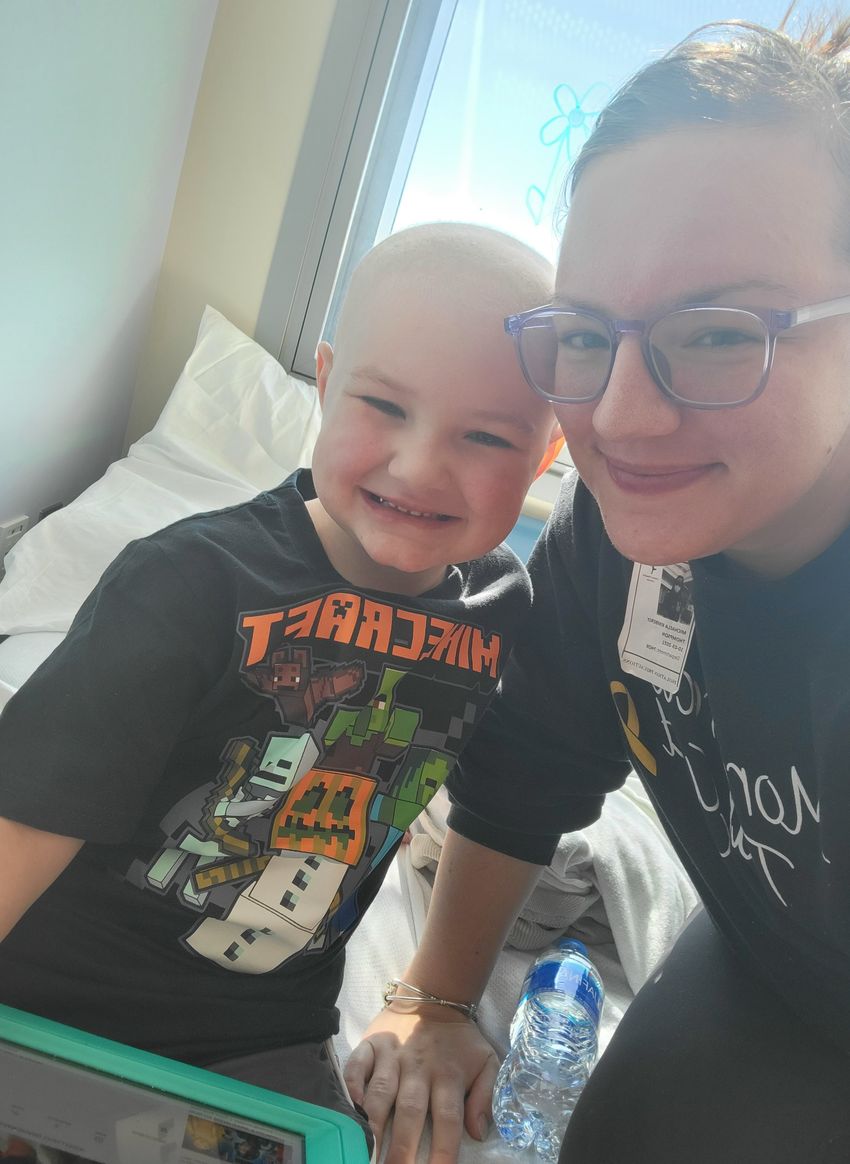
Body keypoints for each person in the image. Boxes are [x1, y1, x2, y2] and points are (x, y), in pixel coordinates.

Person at [345, 14, 850, 1164]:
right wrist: (434, 1000)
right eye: (585, 335)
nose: (619, 417)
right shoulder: (617, 546)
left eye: (719, 333)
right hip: (765, 956)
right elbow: (528, 760)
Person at [0, 223, 561, 1155]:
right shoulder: (189, 582)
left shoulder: (505, 613)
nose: (419, 466)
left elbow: (504, 803)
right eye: (383, 405)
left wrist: (440, 1001)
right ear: (328, 382)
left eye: (487, 436)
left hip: (257, 1039)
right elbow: (25, 816)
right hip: (43, 1000)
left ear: (544, 460)